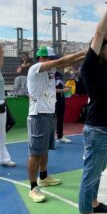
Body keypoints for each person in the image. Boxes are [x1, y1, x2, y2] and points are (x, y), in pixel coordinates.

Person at [78, 1, 107, 214]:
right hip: (96, 130)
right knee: (91, 171)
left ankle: (93, 203)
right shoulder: (91, 68)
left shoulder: (105, 68)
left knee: (98, 170)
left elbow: (105, 35)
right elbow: (98, 34)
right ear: (96, 53)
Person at [27, 45, 85, 203]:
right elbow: (64, 60)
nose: (53, 62)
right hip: (38, 115)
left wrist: (91, 53)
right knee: (35, 152)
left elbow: (69, 62)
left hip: (49, 114)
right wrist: (85, 51)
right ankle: (33, 187)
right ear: (41, 59)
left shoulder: (50, 73)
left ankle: (44, 177)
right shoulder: (35, 68)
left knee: (45, 149)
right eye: (50, 59)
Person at [0, 44, 16, 167]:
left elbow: (1, 60)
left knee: (2, 134)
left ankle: (4, 159)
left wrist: (0, 49)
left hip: (2, 105)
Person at [55, 71, 72, 143]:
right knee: (50, 120)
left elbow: (60, 84)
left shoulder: (59, 73)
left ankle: (60, 136)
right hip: (51, 100)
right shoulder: (47, 74)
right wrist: (63, 90)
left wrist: (66, 86)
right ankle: (47, 139)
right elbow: (50, 89)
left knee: (60, 118)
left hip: (61, 99)